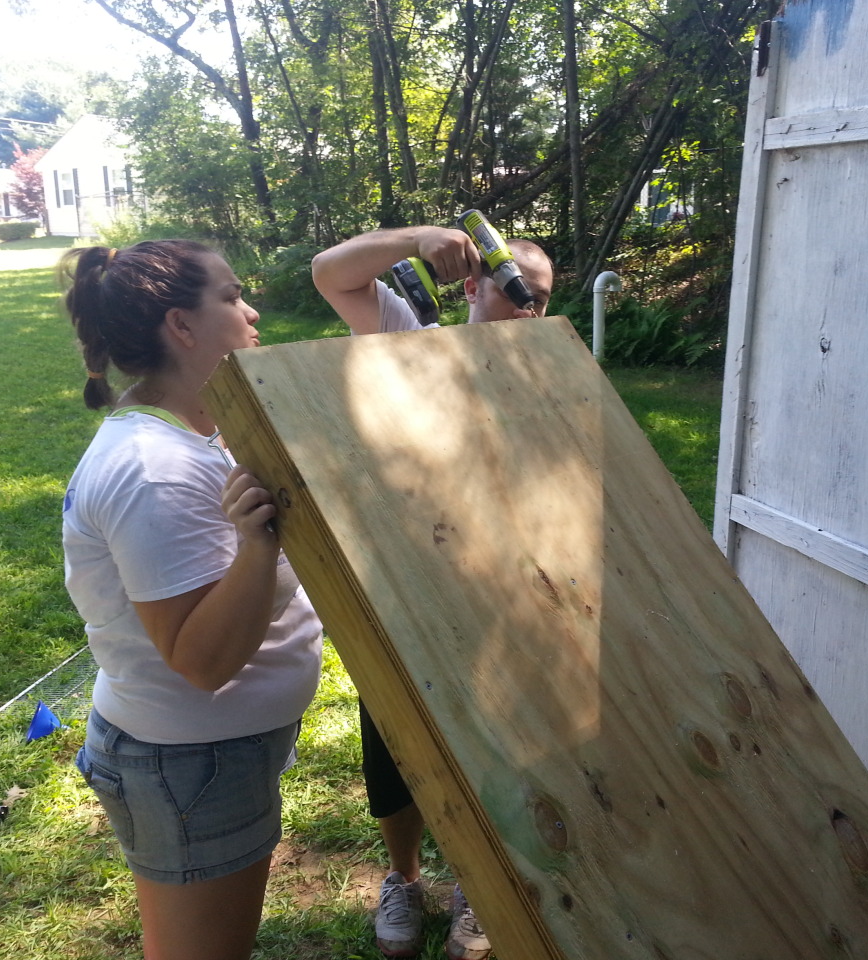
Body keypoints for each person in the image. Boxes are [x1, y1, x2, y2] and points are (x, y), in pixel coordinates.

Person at [59, 240, 323, 960]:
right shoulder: (153, 470)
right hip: (189, 765)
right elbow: (200, 660)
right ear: (182, 326)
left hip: (212, 755)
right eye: (233, 296)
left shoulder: (203, 430)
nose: (252, 309)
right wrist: (259, 544)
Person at [311, 225, 555, 960]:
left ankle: (475, 884)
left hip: (504, 601)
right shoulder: (412, 341)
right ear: (477, 286)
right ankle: (404, 878)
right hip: (406, 590)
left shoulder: (554, 372)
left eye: (538, 299)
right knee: (394, 738)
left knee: (496, 745)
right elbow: (331, 275)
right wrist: (420, 239)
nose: (526, 311)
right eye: (515, 292)